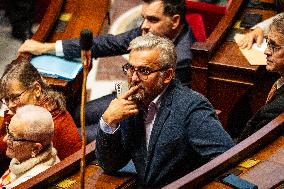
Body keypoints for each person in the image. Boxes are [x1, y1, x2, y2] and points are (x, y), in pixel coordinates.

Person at [18, 0, 196, 143]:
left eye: (152, 19)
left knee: (70, 136)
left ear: (175, 21)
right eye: (143, 18)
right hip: (132, 95)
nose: (144, 25)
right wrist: (46, 47)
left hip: (145, 118)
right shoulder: (153, 32)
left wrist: (109, 117)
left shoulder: (182, 60)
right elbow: (107, 43)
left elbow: (150, 106)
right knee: (76, 114)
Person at [95, 33, 235, 188]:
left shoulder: (191, 107)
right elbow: (110, 164)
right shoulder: (128, 98)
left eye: (144, 71)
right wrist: (108, 122)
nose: (133, 78)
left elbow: (226, 160)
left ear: (167, 75)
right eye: (130, 68)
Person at [0, 58, 82, 173]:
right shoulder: (43, 104)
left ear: (37, 89)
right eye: (6, 99)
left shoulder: (50, 124)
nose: (10, 105)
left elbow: (4, 151)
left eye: (15, 98)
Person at [238, 14, 284, 141]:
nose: (266, 51)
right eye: (268, 43)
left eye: (274, 46)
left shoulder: (276, 109)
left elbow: (245, 145)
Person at [0, 105, 60, 188]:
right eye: (8, 131)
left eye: (12, 137)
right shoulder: (26, 155)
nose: (5, 139)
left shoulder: (28, 182)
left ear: (35, 149)